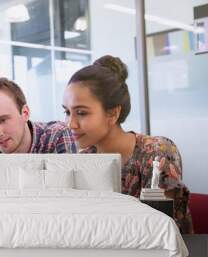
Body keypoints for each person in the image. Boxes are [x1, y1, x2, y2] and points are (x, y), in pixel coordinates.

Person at [62, 55, 193, 233]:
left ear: (113, 114)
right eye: (67, 112)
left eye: (82, 113)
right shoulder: (84, 160)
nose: (70, 124)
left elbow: (159, 231)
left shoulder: (157, 153)